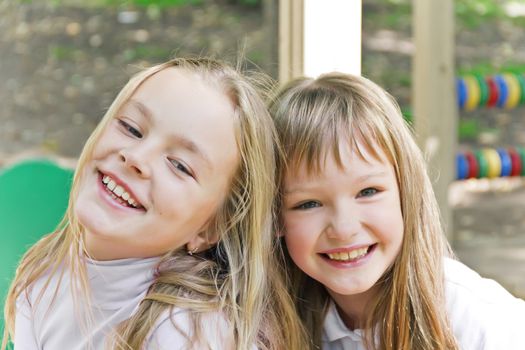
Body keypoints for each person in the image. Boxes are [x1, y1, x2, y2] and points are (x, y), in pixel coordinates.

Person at [3, 57, 307, 350]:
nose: (136, 157)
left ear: (212, 227)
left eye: (179, 165)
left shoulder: (187, 333)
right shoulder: (43, 277)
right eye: (131, 128)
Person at [269, 72, 525, 350]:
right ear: (273, 218)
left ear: (407, 192)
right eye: (308, 204)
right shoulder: (268, 326)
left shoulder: (477, 322)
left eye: (367, 192)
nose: (344, 228)